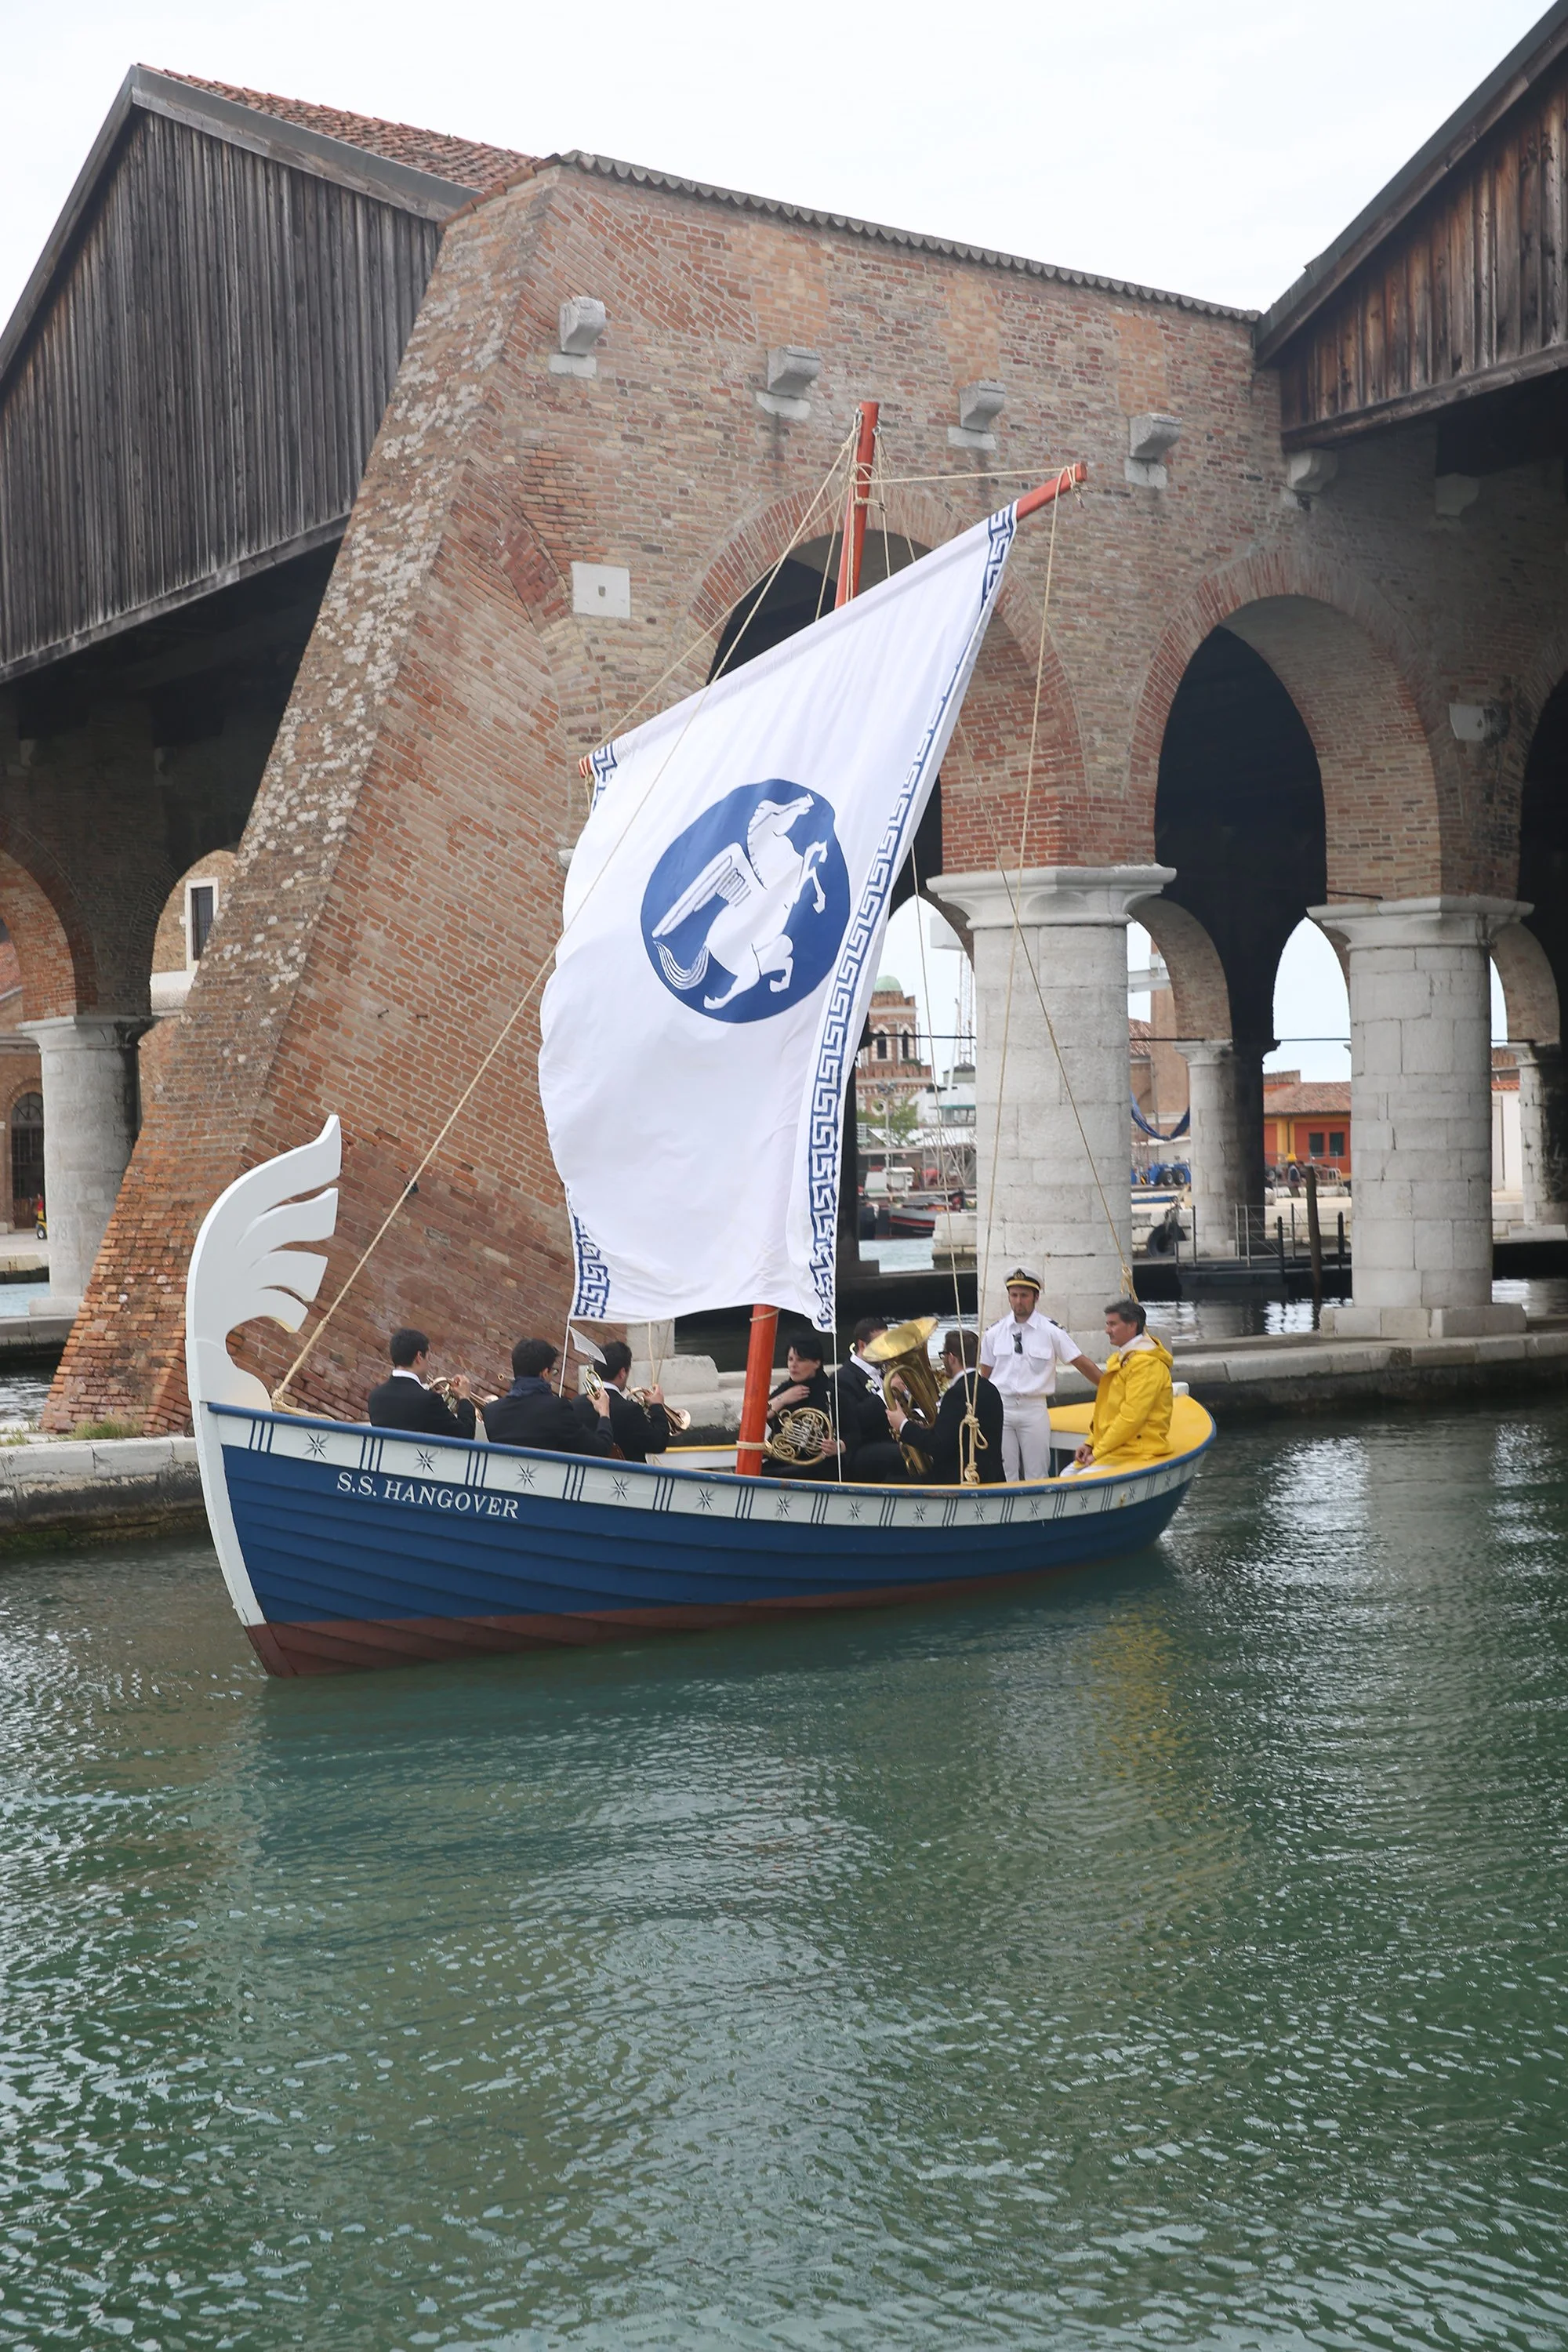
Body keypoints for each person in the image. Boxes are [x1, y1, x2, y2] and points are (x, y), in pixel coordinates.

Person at [979, 1269, 1101, 1483]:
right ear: (1008, 1297)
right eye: (1014, 1295)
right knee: (1004, 1473)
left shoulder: (1052, 1332)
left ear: (1036, 1297)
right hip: (1002, 1407)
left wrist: (1110, 1385)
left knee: (1038, 1473)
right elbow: (985, 1375)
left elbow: (1080, 1362)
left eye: (1024, 1295)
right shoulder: (993, 1333)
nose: (1019, 1301)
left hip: (1033, 1408)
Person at [885, 1327, 1004, 1486]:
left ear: (952, 1358)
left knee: (889, 1480)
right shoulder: (991, 1389)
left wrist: (903, 1424)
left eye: (944, 1355)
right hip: (992, 1476)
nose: (943, 1360)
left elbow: (938, 1446)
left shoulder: (956, 1395)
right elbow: (957, 1434)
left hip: (959, 1479)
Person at [1069, 1298, 1174, 1475]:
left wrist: (1097, 1451)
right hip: (1122, 1447)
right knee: (1069, 1475)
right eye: (1107, 1324)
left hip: (1140, 1449)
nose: (1107, 1330)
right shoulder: (1124, 1360)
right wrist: (1091, 1442)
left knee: (1076, 1477)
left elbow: (1131, 1417)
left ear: (1132, 1326)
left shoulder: (1146, 1365)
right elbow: (1109, 1413)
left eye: (1112, 1324)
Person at [482, 1338, 616, 1454]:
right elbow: (599, 1449)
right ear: (545, 1373)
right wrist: (604, 1413)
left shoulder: (491, 1411)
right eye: (553, 1372)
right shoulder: (557, 1408)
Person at [833, 1316, 908, 1484]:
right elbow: (856, 1419)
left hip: (892, 1440)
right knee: (907, 1454)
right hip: (863, 1446)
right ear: (862, 1345)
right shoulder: (842, 1378)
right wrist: (888, 1392)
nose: (888, 1349)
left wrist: (909, 1395)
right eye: (881, 1344)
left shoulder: (886, 1370)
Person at [366, 1327, 476, 1439]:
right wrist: (464, 1398)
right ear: (419, 1357)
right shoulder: (429, 1400)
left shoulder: (375, 1397)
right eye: (428, 1358)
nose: (429, 1365)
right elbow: (465, 1435)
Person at [573, 1338, 670, 1462]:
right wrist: (657, 1406)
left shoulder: (576, 1403)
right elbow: (659, 1444)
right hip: (629, 1477)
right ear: (622, 1372)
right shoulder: (631, 1410)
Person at [765, 1331, 844, 1475]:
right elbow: (758, 1417)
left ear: (816, 1363)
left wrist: (837, 1447)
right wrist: (783, 1398)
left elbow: (853, 1434)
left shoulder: (831, 1392)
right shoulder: (785, 1389)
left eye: (800, 1360)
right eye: (790, 1359)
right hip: (783, 1459)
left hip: (820, 1464)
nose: (793, 1365)